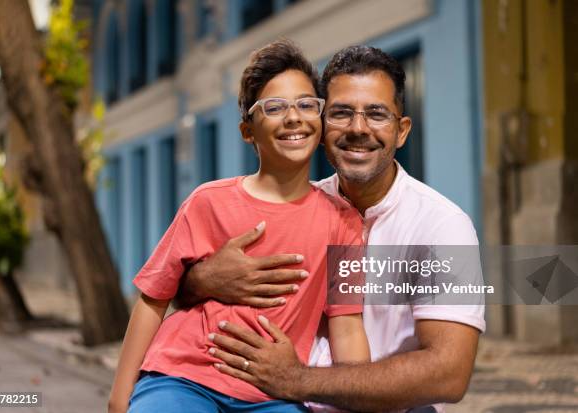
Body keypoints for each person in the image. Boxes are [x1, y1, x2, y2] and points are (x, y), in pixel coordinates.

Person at [179, 45, 486, 412]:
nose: (358, 129)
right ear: (322, 125)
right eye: (341, 113)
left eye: (377, 114)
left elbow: (448, 374)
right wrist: (201, 280)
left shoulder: (442, 227)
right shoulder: (292, 208)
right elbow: (187, 298)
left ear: (401, 131)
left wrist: (296, 379)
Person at [107, 40, 370, 413]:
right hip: (184, 377)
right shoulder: (207, 202)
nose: (294, 117)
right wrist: (119, 397)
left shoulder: (343, 222)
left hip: (273, 395)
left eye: (306, 104)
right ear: (248, 130)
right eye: (274, 107)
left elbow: (347, 327)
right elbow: (153, 299)